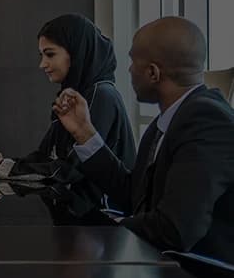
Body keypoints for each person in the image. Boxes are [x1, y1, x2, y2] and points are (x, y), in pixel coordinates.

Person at [54, 16, 234, 262]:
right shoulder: (167, 122)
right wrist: (84, 133)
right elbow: (135, 197)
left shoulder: (206, 120)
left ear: (152, 72)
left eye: (132, 61)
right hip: (167, 272)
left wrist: (108, 228)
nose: (128, 70)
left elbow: (175, 230)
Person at [0, 14, 136, 207]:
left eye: (50, 54)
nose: (42, 64)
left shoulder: (100, 95)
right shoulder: (79, 94)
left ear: (76, 52)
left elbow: (69, 171)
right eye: (41, 55)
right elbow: (46, 156)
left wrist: (5, 168)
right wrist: (2, 164)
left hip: (102, 227)